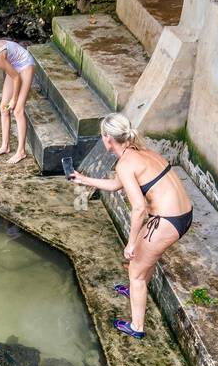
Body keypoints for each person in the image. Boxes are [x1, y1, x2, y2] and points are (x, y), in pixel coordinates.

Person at [71, 114, 193, 339]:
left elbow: (139, 209)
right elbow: (117, 184)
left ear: (108, 139)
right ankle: (135, 291)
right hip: (182, 215)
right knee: (146, 259)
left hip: (167, 221)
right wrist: (84, 179)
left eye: (102, 136)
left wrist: (131, 243)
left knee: (135, 270)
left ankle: (137, 327)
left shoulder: (126, 163)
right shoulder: (139, 152)